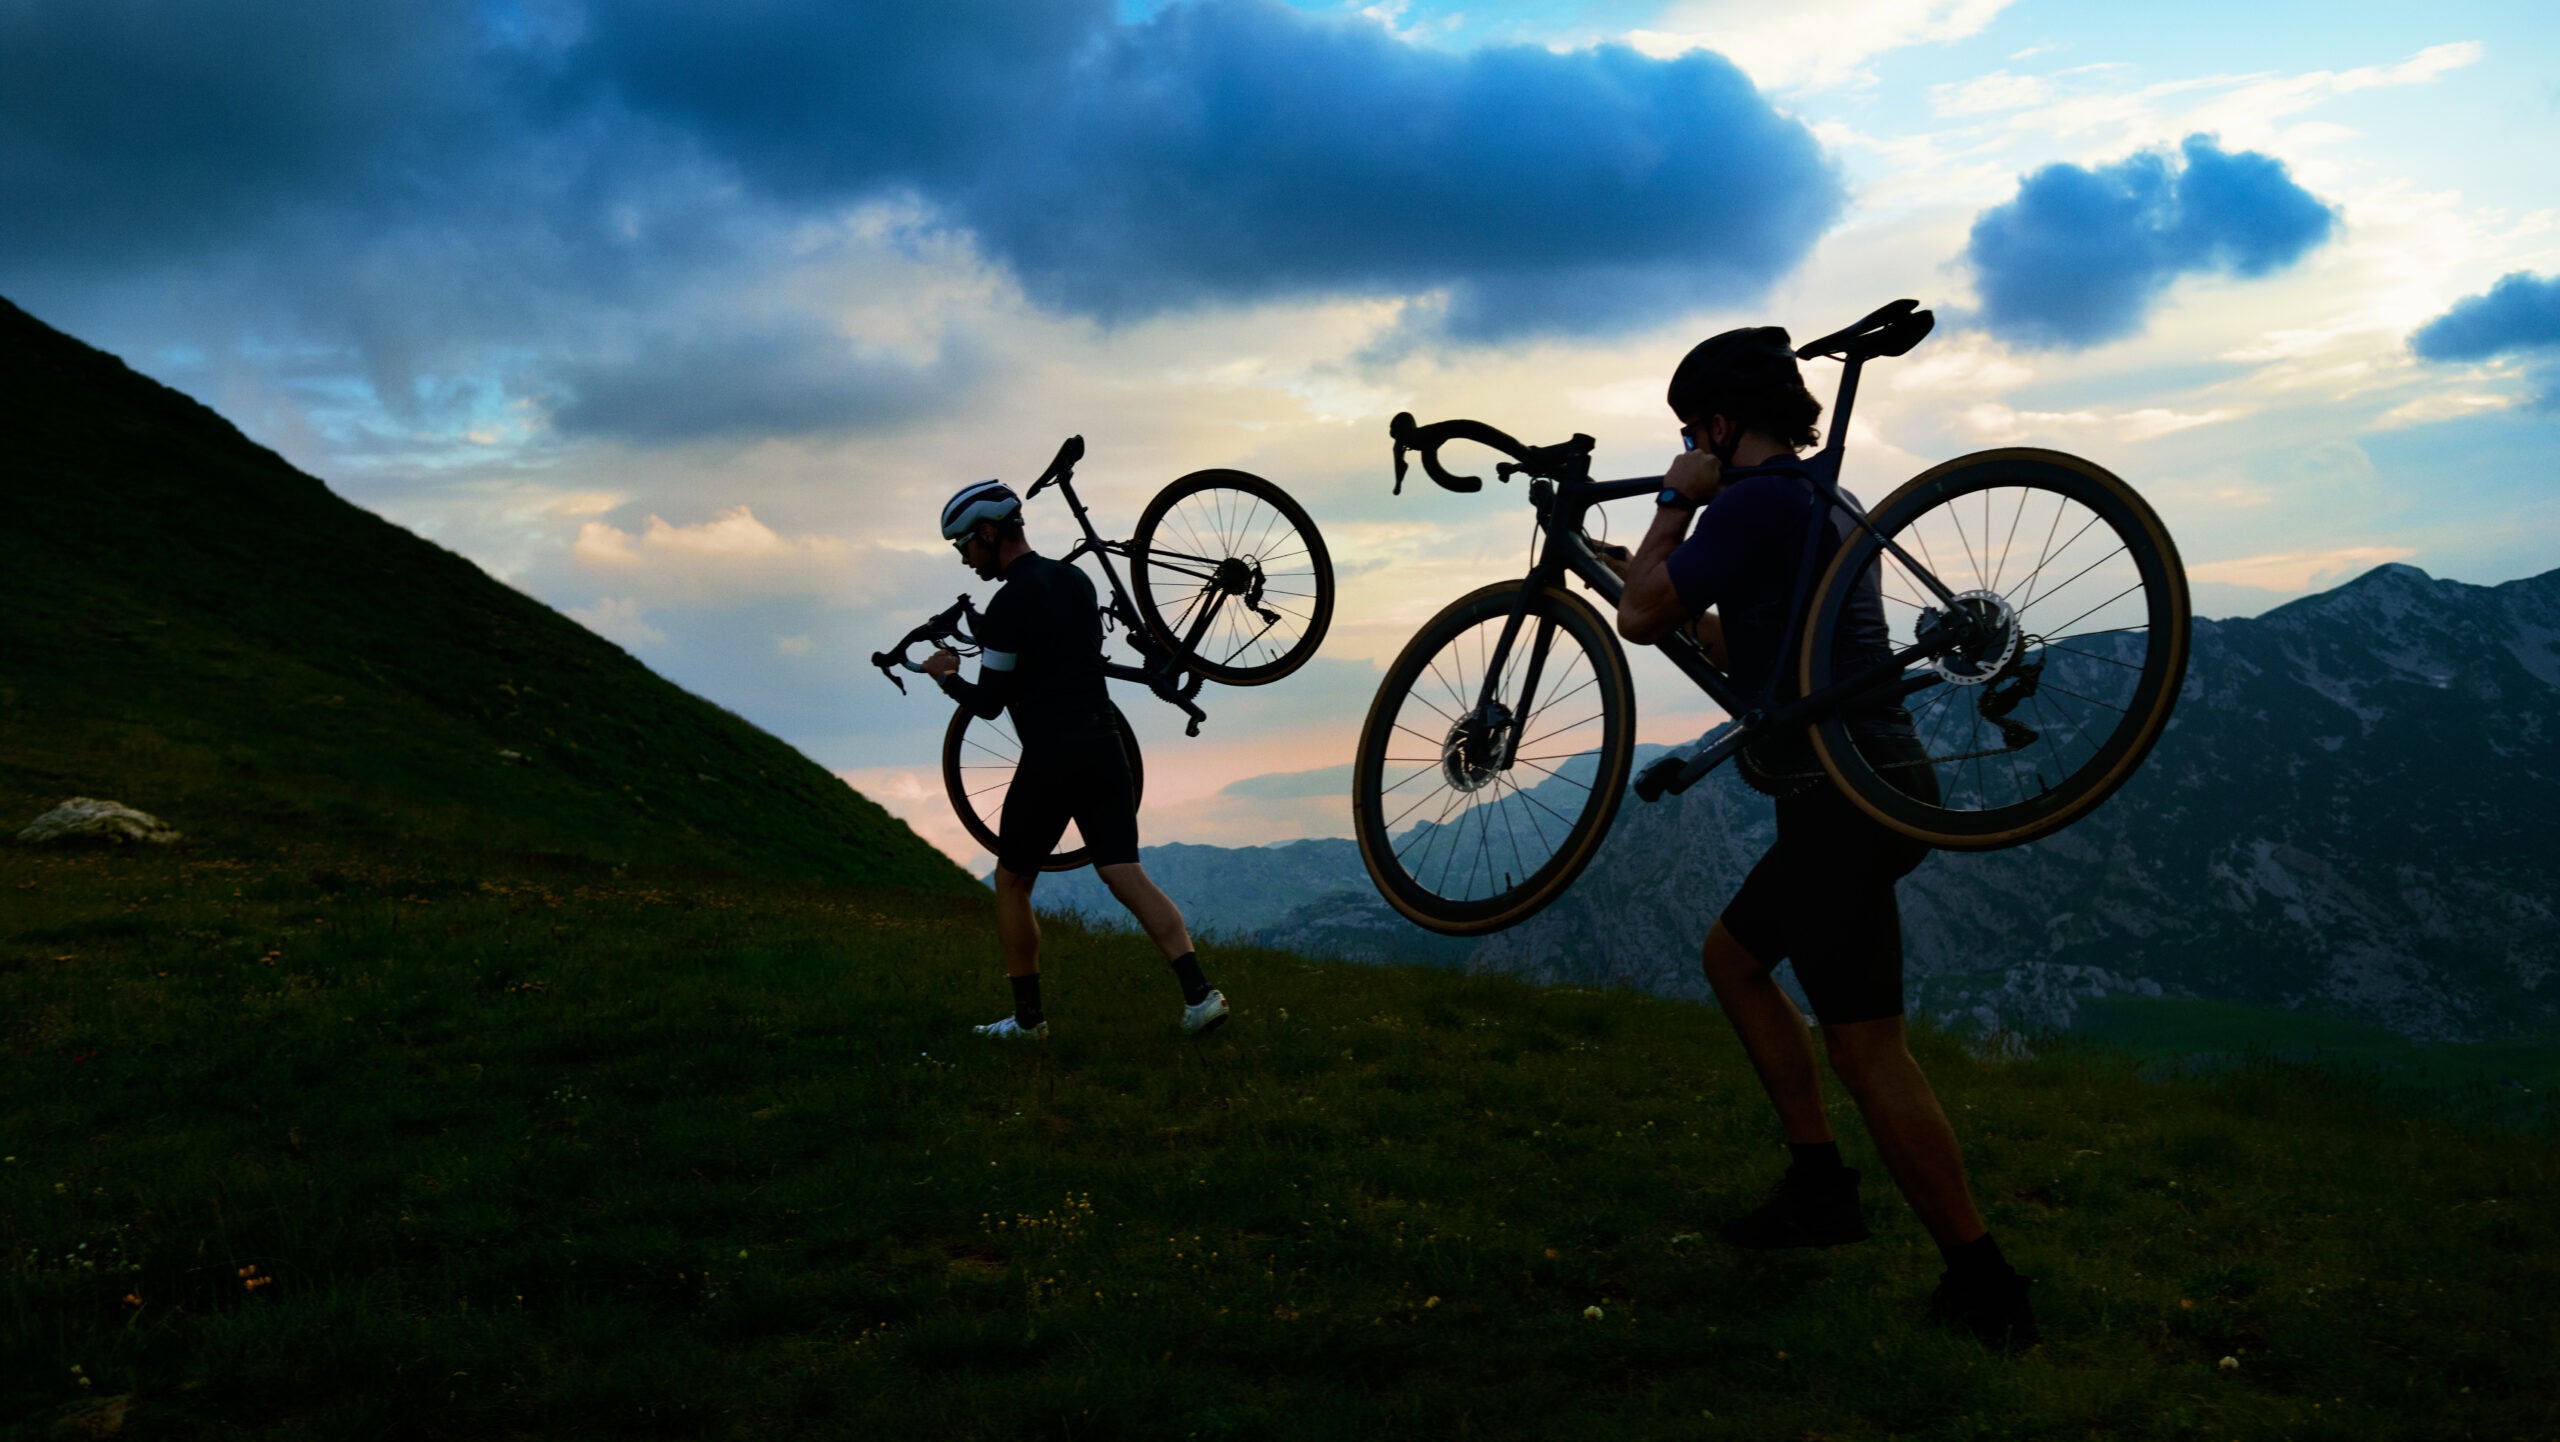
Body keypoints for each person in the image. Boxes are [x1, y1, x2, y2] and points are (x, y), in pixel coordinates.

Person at [1607, 327, 2038, 1347]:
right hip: (1864, 781)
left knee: (1865, 1045)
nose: (1686, 442)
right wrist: (1654, 584)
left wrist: (1672, 502)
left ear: (1715, 423)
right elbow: (1729, 637)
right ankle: (1820, 1183)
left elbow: (1637, 617)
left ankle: (1980, 1276)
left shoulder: (1752, 499)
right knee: (1735, 959)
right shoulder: (1816, 500)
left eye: (1689, 428)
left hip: (1845, 793)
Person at [920, 478, 1230, 1041]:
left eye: (964, 545)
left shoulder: (1009, 601)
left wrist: (947, 677)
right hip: (1106, 742)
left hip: (1052, 755)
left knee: (1012, 883)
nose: (964, 559)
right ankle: (1202, 997)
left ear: (989, 532)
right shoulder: (1076, 579)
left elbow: (989, 703)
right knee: (1124, 871)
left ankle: (1029, 1021)